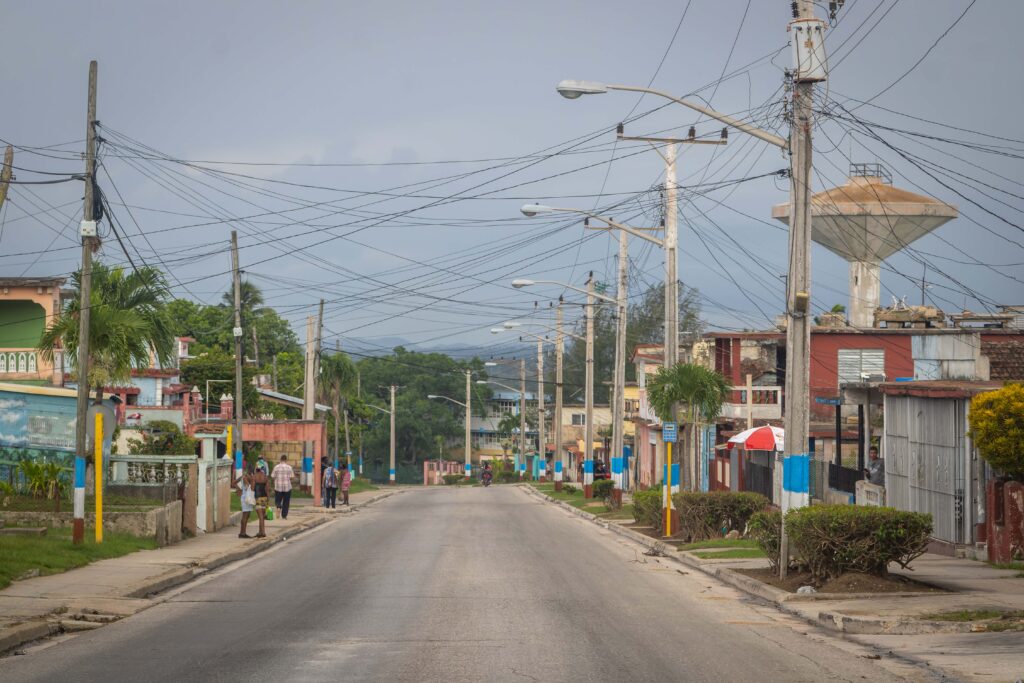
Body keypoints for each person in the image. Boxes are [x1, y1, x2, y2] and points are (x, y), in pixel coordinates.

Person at [232, 465, 255, 538]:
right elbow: (249, 487)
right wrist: (251, 482)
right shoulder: (247, 477)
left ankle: (243, 532)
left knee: (247, 515)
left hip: (245, 496)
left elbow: (233, 482)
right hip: (247, 498)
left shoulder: (243, 476)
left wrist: (239, 489)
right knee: (245, 515)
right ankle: (242, 533)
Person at [271, 454, 295, 520]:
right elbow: (292, 477)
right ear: (286, 460)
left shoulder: (276, 467)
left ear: (280, 459)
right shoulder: (289, 467)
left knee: (278, 499)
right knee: (286, 502)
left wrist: (275, 480)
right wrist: (288, 479)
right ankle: (284, 516)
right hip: (287, 487)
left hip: (278, 487)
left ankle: (278, 507)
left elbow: (272, 476)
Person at [252, 464, 269, 538]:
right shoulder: (265, 477)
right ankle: (260, 531)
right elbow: (267, 489)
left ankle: (263, 532)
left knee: (260, 516)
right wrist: (268, 498)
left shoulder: (254, 476)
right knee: (262, 515)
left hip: (257, 497)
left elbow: (252, 488)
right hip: (264, 497)